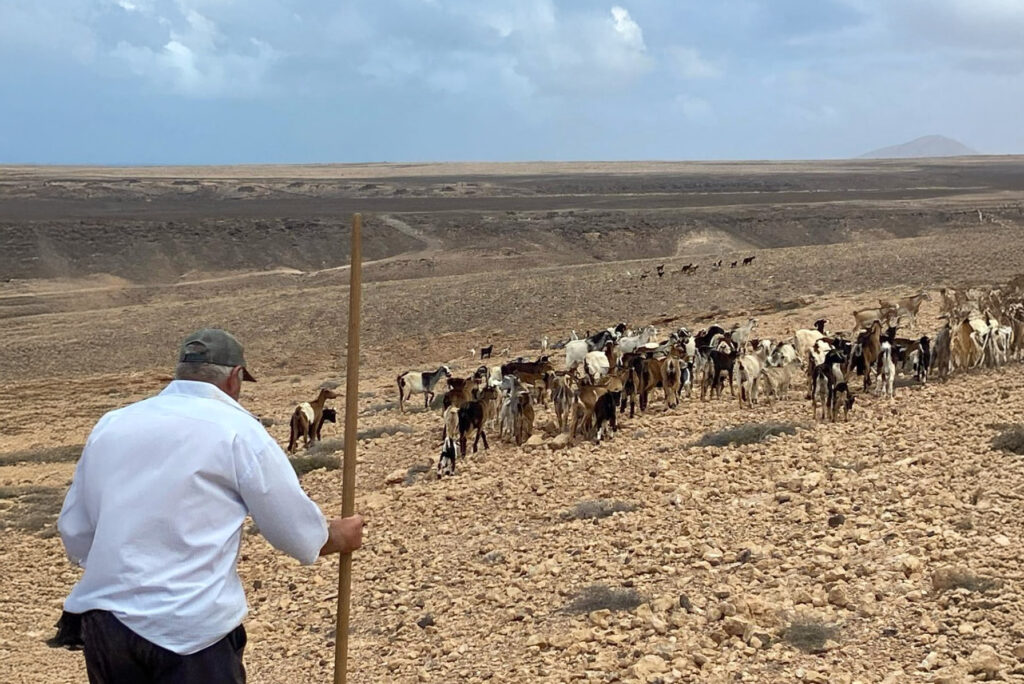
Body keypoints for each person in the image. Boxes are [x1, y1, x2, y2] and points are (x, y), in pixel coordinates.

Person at [57, 328, 363, 683]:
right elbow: (293, 529)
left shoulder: (112, 424)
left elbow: (75, 530)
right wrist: (335, 536)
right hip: (190, 633)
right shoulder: (238, 430)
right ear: (235, 377)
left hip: (107, 627)